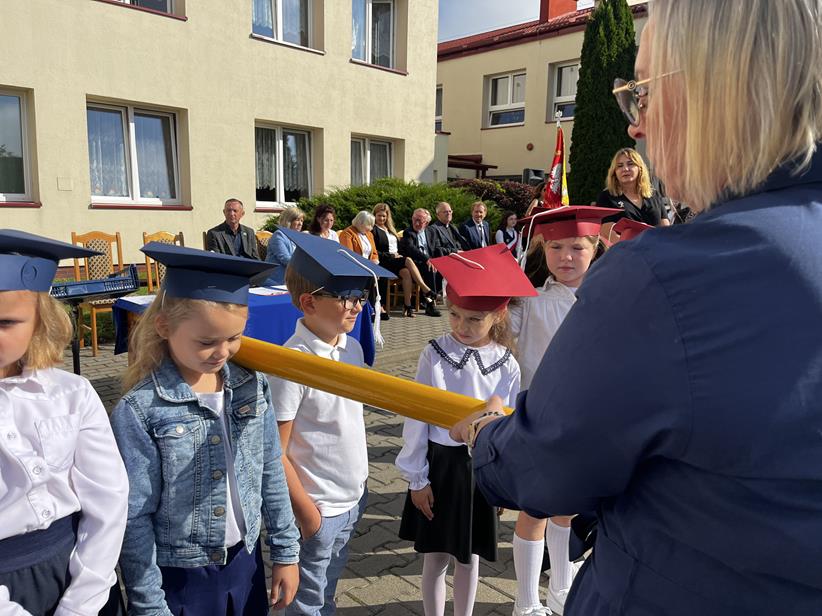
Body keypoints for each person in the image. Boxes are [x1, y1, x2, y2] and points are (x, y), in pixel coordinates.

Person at [452, 2, 822, 614]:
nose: (635, 128)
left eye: (644, 93)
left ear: (716, 91)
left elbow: (544, 469)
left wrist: (487, 433)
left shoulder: (669, 276)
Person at [110, 244, 300, 616]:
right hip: (180, 577)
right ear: (164, 326)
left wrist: (285, 550)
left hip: (245, 562)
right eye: (206, 342)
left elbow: (269, 469)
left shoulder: (249, 385)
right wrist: (148, 603)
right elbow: (134, 516)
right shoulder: (141, 410)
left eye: (234, 338)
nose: (222, 352)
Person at [396, 245, 536, 616]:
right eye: (454, 314)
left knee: (469, 557)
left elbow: (507, 427)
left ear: (498, 315)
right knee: (435, 556)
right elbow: (416, 417)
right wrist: (417, 479)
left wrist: (502, 480)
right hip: (439, 466)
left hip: (478, 469)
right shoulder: (434, 354)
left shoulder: (506, 364)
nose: (461, 326)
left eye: (474, 319)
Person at [0, 230, 129, 616]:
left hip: (77, 572)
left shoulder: (71, 393)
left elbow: (108, 498)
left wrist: (81, 603)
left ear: (39, 322)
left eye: (5, 322)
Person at [267, 230, 394, 615]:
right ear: (309, 302)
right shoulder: (292, 364)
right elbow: (275, 451)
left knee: (327, 593)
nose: (357, 307)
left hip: (353, 497)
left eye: (362, 297)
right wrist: (309, 515)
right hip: (318, 506)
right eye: (347, 298)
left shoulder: (350, 348)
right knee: (305, 603)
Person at [507, 206, 615, 616]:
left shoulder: (607, 299)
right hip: (540, 418)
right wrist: (498, 297)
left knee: (567, 509)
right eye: (555, 247)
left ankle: (561, 588)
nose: (565, 256)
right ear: (543, 248)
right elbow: (500, 331)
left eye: (576, 247)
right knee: (534, 509)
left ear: (595, 247)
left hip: (587, 421)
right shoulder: (529, 300)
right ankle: (525, 601)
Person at [371, 203, 436, 320]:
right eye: (379, 216)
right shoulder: (373, 230)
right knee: (408, 260)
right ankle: (426, 289)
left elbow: (397, 246)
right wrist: (392, 255)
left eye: (384, 216)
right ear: (374, 215)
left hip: (395, 260)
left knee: (406, 272)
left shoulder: (390, 229)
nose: (382, 218)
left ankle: (408, 306)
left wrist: (398, 255)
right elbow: (374, 251)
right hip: (384, 261)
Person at [596, 149, 670, 230]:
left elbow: (666, 227)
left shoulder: (654, 194)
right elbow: (606, 231)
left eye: (630, 164)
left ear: (640, 168)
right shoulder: (606, 197)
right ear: (614, 172)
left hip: (656, 238)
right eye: (620, 166)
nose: (625, 169)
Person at [398, 209, 442, 317]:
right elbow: (412, 249)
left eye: (420, 221)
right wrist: (427, 259)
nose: (416, 223)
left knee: (439, 268)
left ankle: (427, 299)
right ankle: (430, 305)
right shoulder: (408, 232)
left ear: (426, 223)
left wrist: (439, 260)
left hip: (429, 261)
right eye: (415, 220)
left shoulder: (431, 232)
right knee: (430, 269)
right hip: (414, 263)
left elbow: (437, 248)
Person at [265, 206, 306, 285]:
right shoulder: (279, 235)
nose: (300, 224)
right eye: (297, 220)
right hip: (276, 281)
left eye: (302, 221)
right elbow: (285, 259)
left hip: (293, 280)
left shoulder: (297, 237)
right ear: (288, 221)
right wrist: (306, 268)